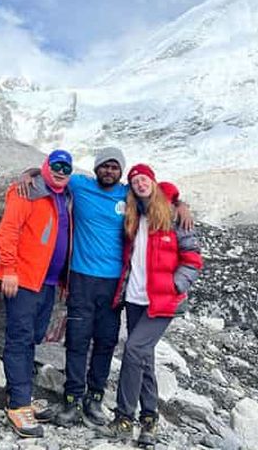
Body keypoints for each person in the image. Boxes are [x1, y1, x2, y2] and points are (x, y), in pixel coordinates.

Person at [18, 147, 193, 427]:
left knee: (105, 342)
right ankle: (72, 398)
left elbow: (162, 191)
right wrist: (31, 173)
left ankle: (95, 399)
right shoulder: (81, 185)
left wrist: (181, 204)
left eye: (115, 167)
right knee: (76, 341)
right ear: (96, 168)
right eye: (105, 166)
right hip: (81, 279)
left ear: (120, 172)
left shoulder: (128, 194)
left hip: (114, 285)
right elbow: (55, 175)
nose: (109, 171)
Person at [104, 163, 203, 448]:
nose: (140, 184)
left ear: (153, 181)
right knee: (143, 357)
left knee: (133, 350)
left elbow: (193, 259)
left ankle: (123, 418)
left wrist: (175, 286)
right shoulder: (134, 216)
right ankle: (149, 420)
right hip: (135, 299)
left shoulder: (172, 215)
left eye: (144, 179)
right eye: (135, 182)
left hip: (162, 301)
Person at [0, 149, 74, 438]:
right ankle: (18, 405)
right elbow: (8, 231)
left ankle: (20, 395)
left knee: (34, 337)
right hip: (24, 279)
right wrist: (9, 268)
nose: (61, 171)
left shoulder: (64, 195)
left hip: (49, 283)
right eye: (56, 165)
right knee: (20, 338)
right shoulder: (27, 191)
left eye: (66, 167)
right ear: (46, 166)